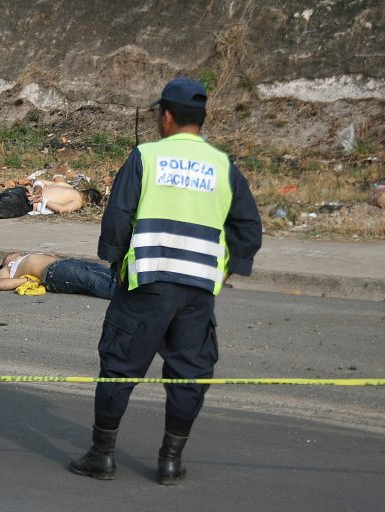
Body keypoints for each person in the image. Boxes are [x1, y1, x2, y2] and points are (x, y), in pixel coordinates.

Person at [69, 77, 262, 484]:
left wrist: (116, 261)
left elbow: (118, 218)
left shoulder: (146, 157)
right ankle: (170, 462)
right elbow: (248, 228)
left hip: (147, 284)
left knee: (120, 366)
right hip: (197, 290)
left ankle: (102, 456)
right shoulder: (223, 165)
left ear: (168, 116)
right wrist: (227, 269)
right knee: (189, 372)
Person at [0, 252, 115, 299]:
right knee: (91, 279)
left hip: (66, 263)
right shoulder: (9, 268)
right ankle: (123, 296)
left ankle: (128, 288)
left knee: (102, 271)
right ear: (5, 262)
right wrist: (25, 280)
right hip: (52, 272)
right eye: (9, 255)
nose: (12, 253)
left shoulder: (25, 256)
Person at [27, 181, 102, 215]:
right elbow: (62, 210)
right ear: (89, 203)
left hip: (24, 192)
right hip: (29, 204)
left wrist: (38, 189)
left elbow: (40, 181)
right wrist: (42, 199)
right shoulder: (78, 201)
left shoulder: (66, 185)